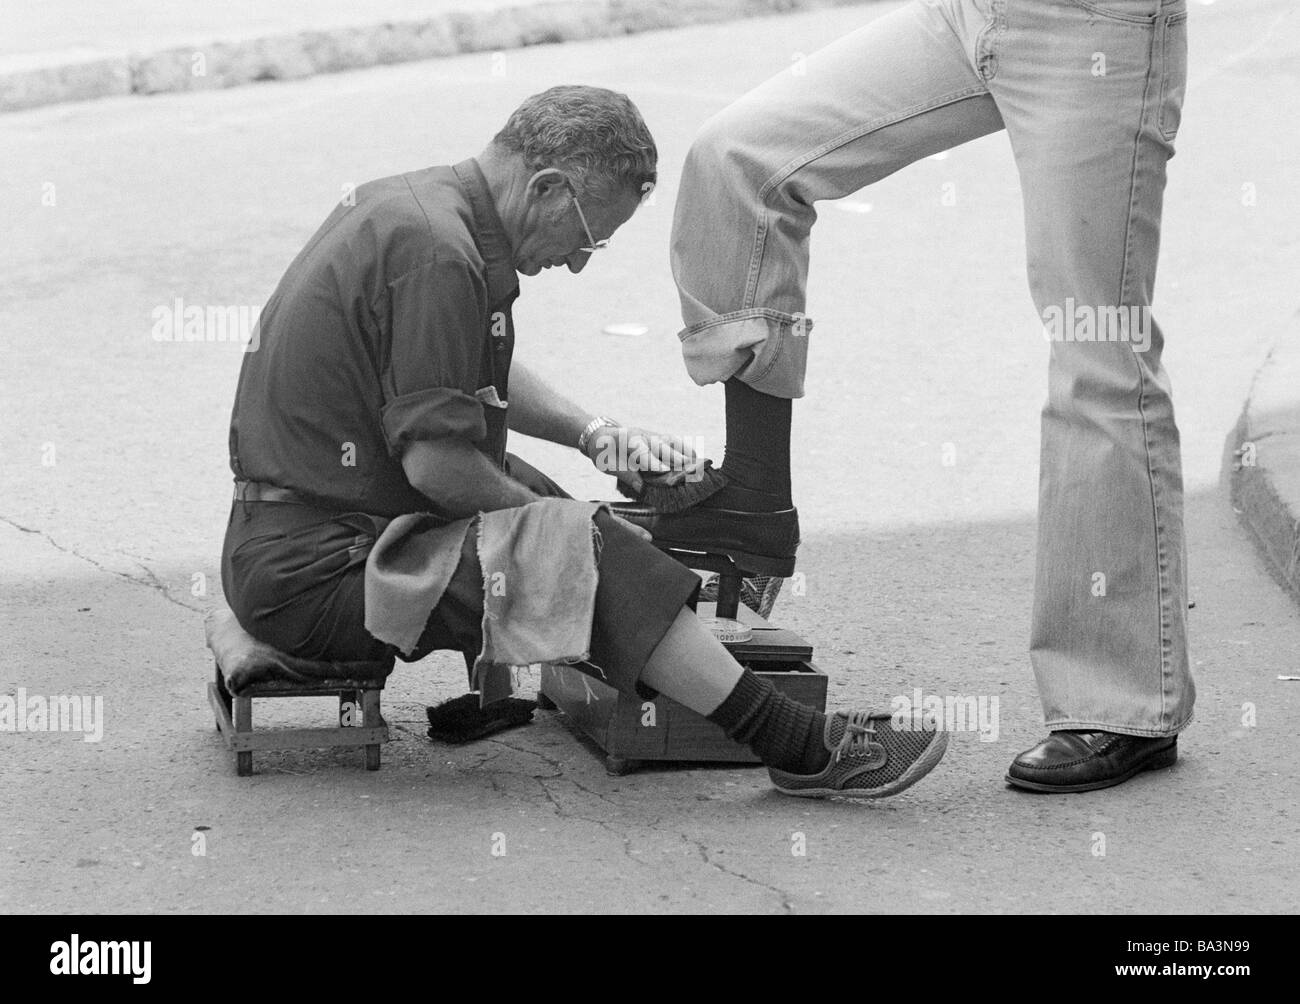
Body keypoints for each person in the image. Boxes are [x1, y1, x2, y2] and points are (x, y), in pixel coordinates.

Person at [219, 85, 948, 799]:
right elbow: (437, 466)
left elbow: (468, 371)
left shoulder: (424, 210)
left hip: (301, 536)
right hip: (315, 577)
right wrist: (565, 535)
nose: (579, 262)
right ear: (546, 187)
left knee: (547, 506)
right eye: (590, 236)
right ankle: (798, 746)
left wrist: (595, 435)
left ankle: (630, 646)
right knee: (578, 545)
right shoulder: (439, 253)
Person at [613, 0, 1192, 792]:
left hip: (1096, 30)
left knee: (1097, 348)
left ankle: (1122, 703)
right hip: (969, 13)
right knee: (738, 158)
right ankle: (753, 494)